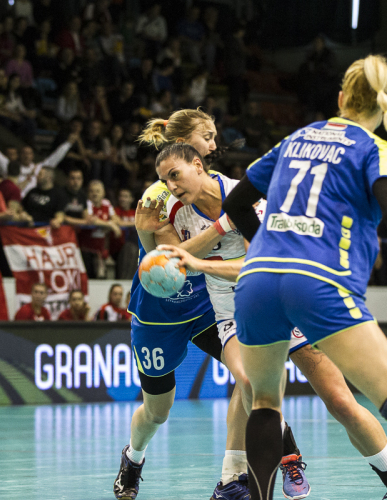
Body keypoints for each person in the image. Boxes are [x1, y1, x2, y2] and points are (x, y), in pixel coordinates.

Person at [223, 55, 387, 500]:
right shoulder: (375, 149)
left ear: (342, 97)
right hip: (319, 282)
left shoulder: (296, 137)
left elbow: (235, 204)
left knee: (265, 403)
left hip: (257, 282)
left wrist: (264, 246)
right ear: (384, 106)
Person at [115, 108, 252, 500]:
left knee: (250, 375)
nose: (213, 145)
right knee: (157, 411)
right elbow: (174, 262)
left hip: (206, 304)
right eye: (206, 137)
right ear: (183, 144)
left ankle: (241, 472)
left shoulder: (219, 187)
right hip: (160, 312)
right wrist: (224, 225)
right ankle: (133, 457)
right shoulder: (159, 195)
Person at [0, 130, 74, 198]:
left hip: (32, 201)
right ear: (19, 155)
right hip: (15, 200)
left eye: (29, 153)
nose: (26, 156)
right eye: (24, 153)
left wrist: (68, 144)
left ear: (33, 156)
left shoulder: (38, 168)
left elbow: (54, 158)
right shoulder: (12, 167)